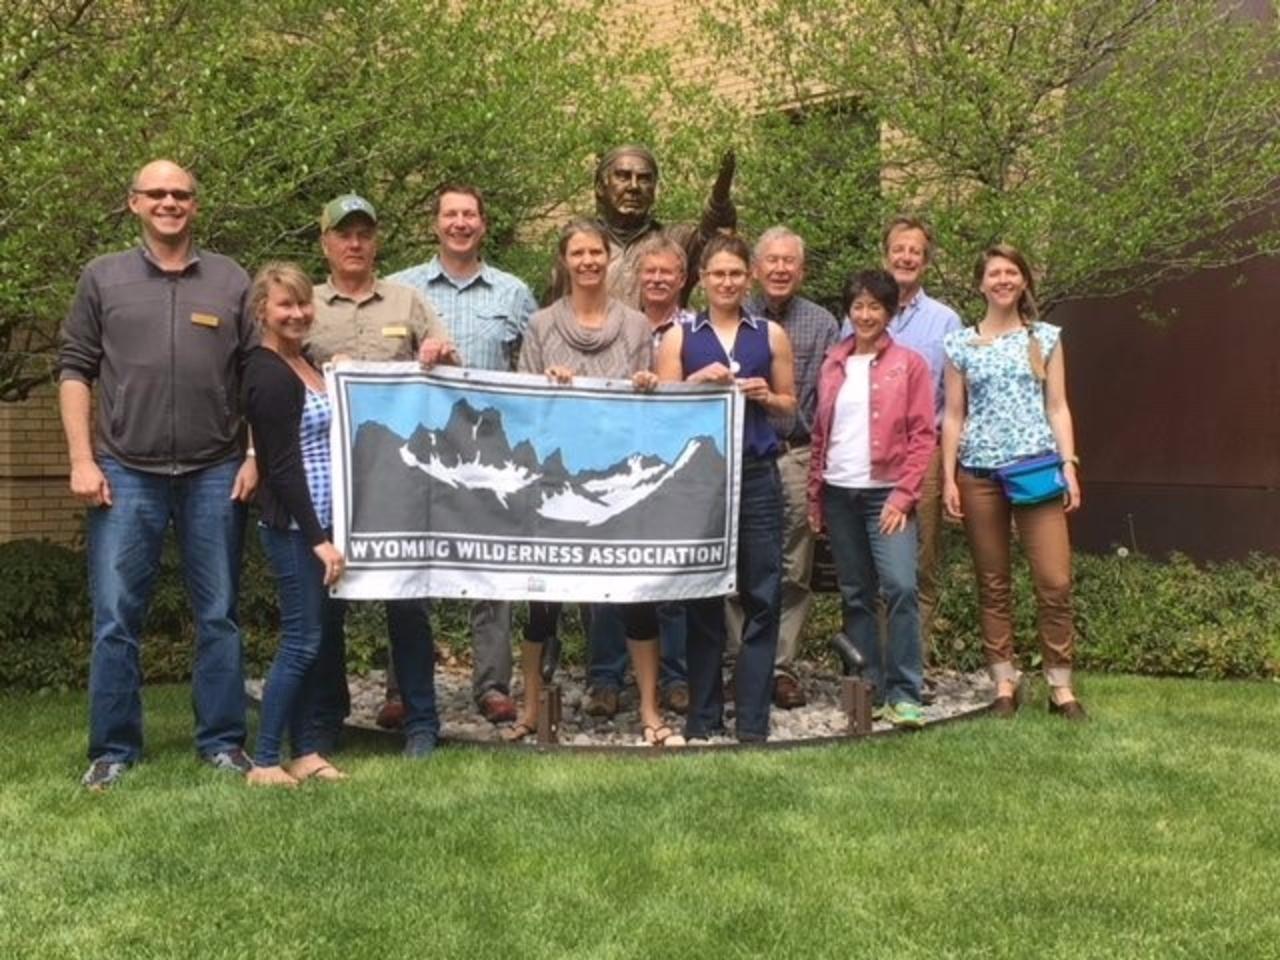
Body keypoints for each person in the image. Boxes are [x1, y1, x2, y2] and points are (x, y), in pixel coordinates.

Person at [59, 159, 258, 790]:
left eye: (181, 194)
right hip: (125, 471)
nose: (170, 202)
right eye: (158, 194)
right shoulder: (103, 278)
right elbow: (73, 369)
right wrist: (81, 460)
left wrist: (252, 455)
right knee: (117, 616)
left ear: (196, 206)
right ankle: (113, 750)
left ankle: (223, 743)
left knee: (220, 613)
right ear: (134, 204)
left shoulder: (231, 280)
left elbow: (256, 374)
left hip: (215, 470)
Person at [512, 218, 683, 747]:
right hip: (555, 483)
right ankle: (530, 710)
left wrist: (647, 385)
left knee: (635, 597)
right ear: (564, 261)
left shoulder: (635, 326)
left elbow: (645, 410)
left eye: (596, 252)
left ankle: (651, 712)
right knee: (543, 602)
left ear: (609, 259)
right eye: (578, 253)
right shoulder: (541, 325)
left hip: (614, 484)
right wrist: (547, 386)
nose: (588, 261)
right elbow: (521, 406)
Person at [306, 193, 457, 758]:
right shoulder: (306, 305)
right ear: (325, 241)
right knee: (328, 598)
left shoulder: (407, 300)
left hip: (398, 478)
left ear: (377, 241)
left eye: (364, 233)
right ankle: (327, 716)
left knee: (408, 600)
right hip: (328, 476)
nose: (354, 243)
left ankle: (422, 719)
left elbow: (448, 370)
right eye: (344, 233)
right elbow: (276, 374)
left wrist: (441, 353)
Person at [390, 183, 537, 725]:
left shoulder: (514, 293)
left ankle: (492, 686)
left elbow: (533, 370)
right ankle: (403, 688)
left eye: (469, 214)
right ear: (436, 224)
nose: (459, 222)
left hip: (489, 454)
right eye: (450, 214)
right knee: (410, 569)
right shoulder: (399, 289)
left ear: (483, 223)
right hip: (420, 451)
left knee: (491, 572)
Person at [655, 234, 797, 742]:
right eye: (718, 273)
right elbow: (663, 409)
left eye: (736, 273)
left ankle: (753, 718)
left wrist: (766, 396)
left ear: (750, 278)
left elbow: (790, 406)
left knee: (762, 593)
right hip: (702, 480)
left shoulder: (770, 334)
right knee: (703, 594)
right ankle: (704, 714)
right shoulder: (681, 334)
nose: (727, 282)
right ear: (703, 279)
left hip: (757, 473)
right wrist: (695, 384)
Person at [941, 244, 1086, 720]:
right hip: (979, 473)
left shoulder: (1044, 338)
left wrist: (1069, 464)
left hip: (1036, 471)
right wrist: (948, 477)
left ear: (1023, 281)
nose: (1002, 280)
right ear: (980, 283)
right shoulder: (960, 344)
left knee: (1054, 579)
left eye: (1011, 272)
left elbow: (1057, 406)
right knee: (993, 580)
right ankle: (1004, 680)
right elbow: (954, 416)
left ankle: (1061, 685)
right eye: (993, 273)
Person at [808, 270, 935, 728]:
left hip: (886, 493)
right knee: (856, 594)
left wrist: (904, 496)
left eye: (875, 307)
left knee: (900, 586)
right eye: (858, 306)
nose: (865, 315)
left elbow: (924, 435)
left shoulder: (910, 364)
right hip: (840, 491)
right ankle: (867, 690)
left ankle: (905, 692)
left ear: (890, 312)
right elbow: (822, 435)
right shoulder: (832, 364)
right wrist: (815, 498)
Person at [241, 264, 347, 786]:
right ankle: (263, 760)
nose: (298, 313)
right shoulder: (267, 372)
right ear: (262, 309)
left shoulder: (304, 363)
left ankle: (304, 752)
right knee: (301, 642)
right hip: (293, 529)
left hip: (320, 522)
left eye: (304, 303)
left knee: (315, 639)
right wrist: (318, 539)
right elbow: (279, 467)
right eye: (285, 305)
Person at [847, 217, 962, 692]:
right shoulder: (861, 312)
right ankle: (875, 668)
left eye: (915, 251)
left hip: (923, 451)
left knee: (920, 562)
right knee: (878, 568)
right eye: (898, 249)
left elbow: (954, 398)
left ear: (927, 260)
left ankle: (914, 662)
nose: (906, 257)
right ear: (886, 253)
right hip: (866, 457)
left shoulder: (946, 321)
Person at [581, 233, 693, 718]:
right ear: (636, 276)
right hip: (611, 465)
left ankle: (675, 676)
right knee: (608, 573)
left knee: (667, 575)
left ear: (683, 279)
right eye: (649, 271)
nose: (658, 279)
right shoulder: (614, 324)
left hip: (668, 470)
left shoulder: (696, 329)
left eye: (667, 271)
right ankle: (605, 678)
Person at [731, 226, 838, 710]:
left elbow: (826, 400)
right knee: (734, 563)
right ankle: (742, 661)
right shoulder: (732, 315)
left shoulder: (822, 324)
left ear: (802, 270)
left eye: (788, 262)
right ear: (755, 269)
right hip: (739, 456)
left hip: (795, 453)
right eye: (770, 261)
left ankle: (780, 666)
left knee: (794, 566)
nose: (779, 269)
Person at [549, 144, 736, 305]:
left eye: (644, 179)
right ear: (600, 187)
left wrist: (718, 198)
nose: (634, 187)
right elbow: (553, 309)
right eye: (623, 176)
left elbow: (711, 235)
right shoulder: (581, 245)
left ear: (654, 190)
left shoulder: (674, 240)